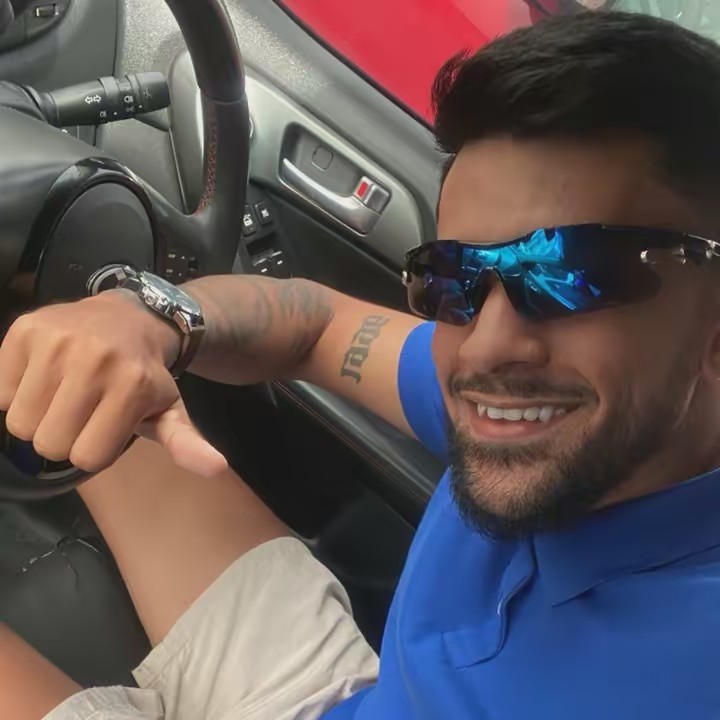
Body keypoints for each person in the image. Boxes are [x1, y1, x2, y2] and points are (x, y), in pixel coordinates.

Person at [2, 9, 720, 720]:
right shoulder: (563, 417)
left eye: (573, 276)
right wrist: (149, 317)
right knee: (78, 372)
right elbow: (313, 325)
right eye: (454, 277)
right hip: (336, 698)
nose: (486, 346)